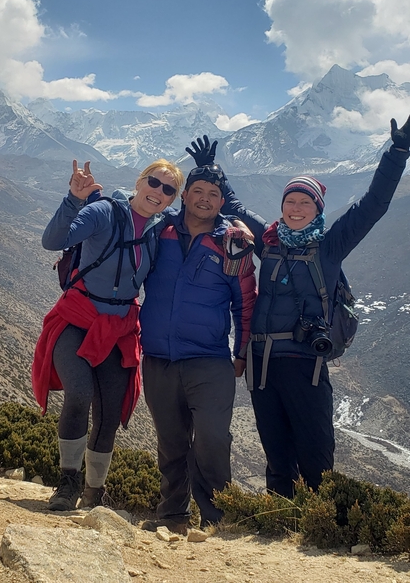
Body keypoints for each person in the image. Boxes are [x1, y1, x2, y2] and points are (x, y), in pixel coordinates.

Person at [188, 118, 410, 499]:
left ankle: (321, 528)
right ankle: (281, 530)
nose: (295, 208)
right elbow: (236, 205)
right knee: (276, 454)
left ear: (317, 208)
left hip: (306, 363)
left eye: (304, 202)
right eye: (290, 201)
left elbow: (373, 205)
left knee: (316, 454)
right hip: (262, 365)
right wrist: (214, 173)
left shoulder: (330, 246)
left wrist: (398, 152)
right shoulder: (269, 240)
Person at [32, 158, 184, 511]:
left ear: (172, 199)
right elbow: (52, 241)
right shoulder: (103, 212)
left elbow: (203, 221)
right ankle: (67, 483)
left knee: (109, 414)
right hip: (77, 318)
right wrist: (73, 198)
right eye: (154, 182)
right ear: (139, 181)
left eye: (168, 189)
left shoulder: (159, 230)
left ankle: (94, 493)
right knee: (80, 394)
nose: (158, 192)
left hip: (119, 329)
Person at [140, 163, 257, 534]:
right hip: (159, 357)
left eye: (213, 194)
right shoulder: (160, 232)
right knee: (171, 441)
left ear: (222, 201)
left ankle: (218, 518)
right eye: (198, 191)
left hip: (209, 360)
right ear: (185, 194)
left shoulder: (232, 242)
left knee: (212, 438)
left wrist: (241, 352)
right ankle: (173, 516)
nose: (204, 199)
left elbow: (245, 301)